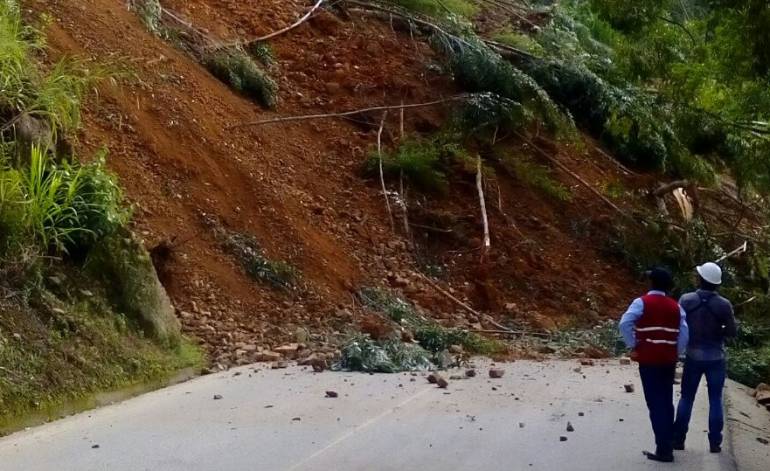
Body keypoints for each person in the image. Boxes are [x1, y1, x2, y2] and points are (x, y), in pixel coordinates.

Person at [619, 267, 689, 463]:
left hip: (648, 360)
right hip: (668, 360)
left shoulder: (641, 302)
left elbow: (624, 324)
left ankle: (664, 449)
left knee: (655, 403)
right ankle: (667, 441)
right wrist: (674, 351)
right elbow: (684, 335)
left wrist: (634, 344)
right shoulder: (676, 307)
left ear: (651, 282)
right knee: (666, 401)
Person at [673, 262, 737, 453]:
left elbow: (678, 326)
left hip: (692, 355)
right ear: (717, 283)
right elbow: (732, 332)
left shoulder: (685, 300)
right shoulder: (724, 305)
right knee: (715, 399)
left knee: (686, 397)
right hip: (715, 357)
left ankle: (678, 439)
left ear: (700, 279)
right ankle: (715, 442)